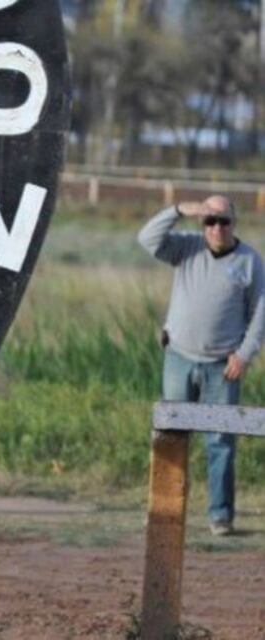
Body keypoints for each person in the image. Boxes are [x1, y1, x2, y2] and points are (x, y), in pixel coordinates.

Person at [138, 195, 265, 536]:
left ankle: (220, 516)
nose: (217, 228)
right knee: (171, 436)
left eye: (224, 221)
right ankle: (165, 512)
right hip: (179, 358)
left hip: (222, 366)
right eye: (210, 221)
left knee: (220, 442)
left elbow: (260, 313)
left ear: (234, 223)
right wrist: (179, 210)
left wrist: (244, 355)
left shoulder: (250, 261)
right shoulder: (186, 248)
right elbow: (147, 239)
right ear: (202, 224)